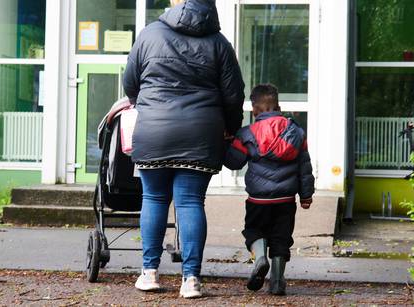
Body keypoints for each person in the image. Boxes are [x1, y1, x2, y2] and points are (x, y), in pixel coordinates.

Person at [122, 0, 245, 299]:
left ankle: (149, 273)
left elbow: (130, 83)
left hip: (155, 132)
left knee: (153, 198)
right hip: (201, 134)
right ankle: (190, 279)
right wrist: (230, 128)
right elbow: (233, 95)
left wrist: (148, 106)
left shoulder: (149, 34)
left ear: (174, 3)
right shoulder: (219, 43)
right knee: (190, 202)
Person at [224, 84, 314, 295]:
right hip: (286, 199)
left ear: (255, 110)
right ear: (279, 106)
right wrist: (306, 195)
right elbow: (305, 167)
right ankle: (277, 280)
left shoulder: (248, 133)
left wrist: (225, 144)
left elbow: (234, 162)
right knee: (282, 238)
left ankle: (260, 258)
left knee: (254, 230)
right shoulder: (296, 132)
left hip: (258, 199)